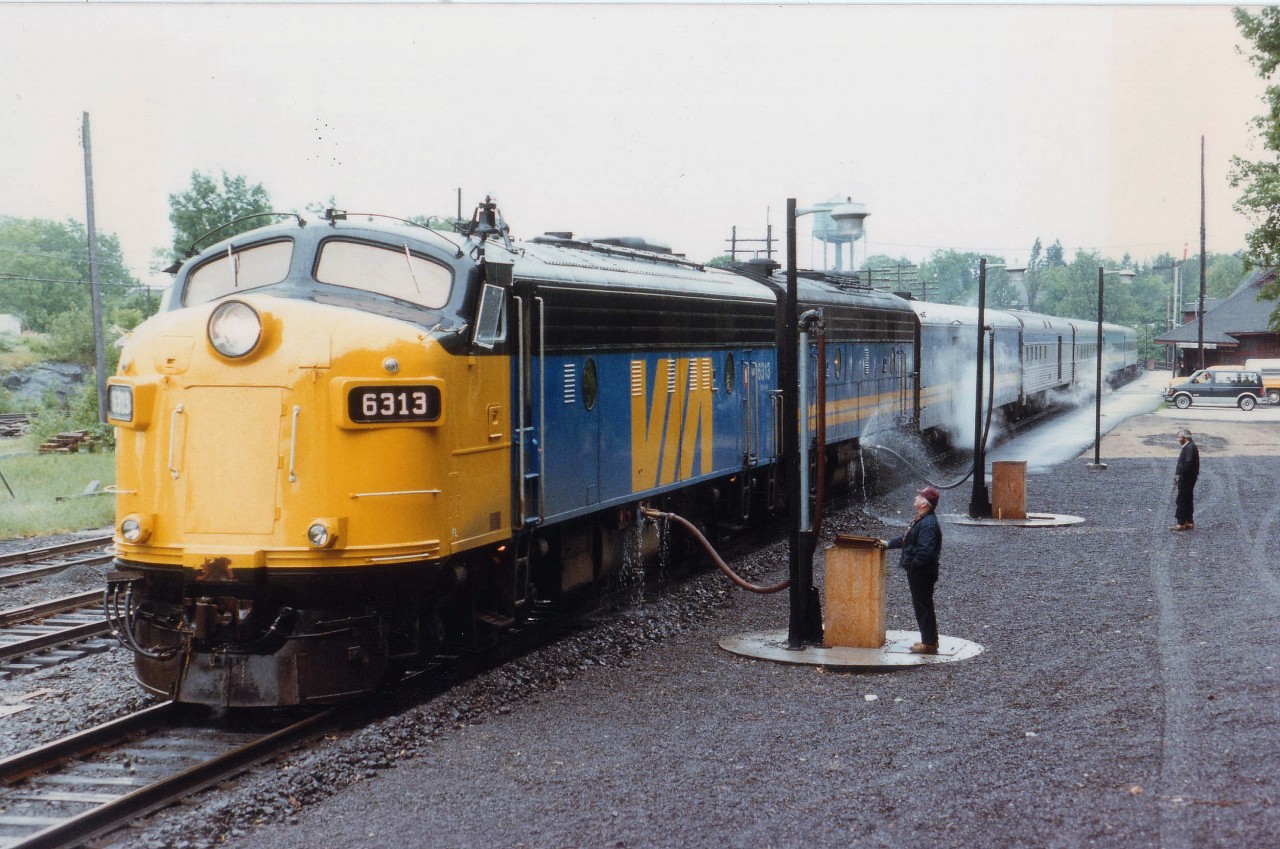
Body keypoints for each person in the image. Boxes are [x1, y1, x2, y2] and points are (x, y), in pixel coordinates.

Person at [878, 486, 943, 654]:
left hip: (922, 573)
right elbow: (908, 540)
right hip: (921, 571)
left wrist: (913, 566)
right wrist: (888, 544)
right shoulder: (923, 519)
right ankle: (929, 639)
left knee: (923, 606)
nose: (916, 497)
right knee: (923, 605)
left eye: (920, 495)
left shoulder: (927, 524)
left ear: (924, 503)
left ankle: (929, 643)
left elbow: (925, 551)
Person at [1172, 428, 1199, 531]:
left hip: (1186, 478)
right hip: (1190, 478)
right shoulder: (1190, 446)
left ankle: (1181, 523)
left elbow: (1187, 464)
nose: (1178, 440)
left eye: (1179, 437)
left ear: (1185, 438)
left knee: (1182, 500)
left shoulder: (1189, 448)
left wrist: (1180, 476)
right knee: (1187, 499)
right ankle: (1189, 521)